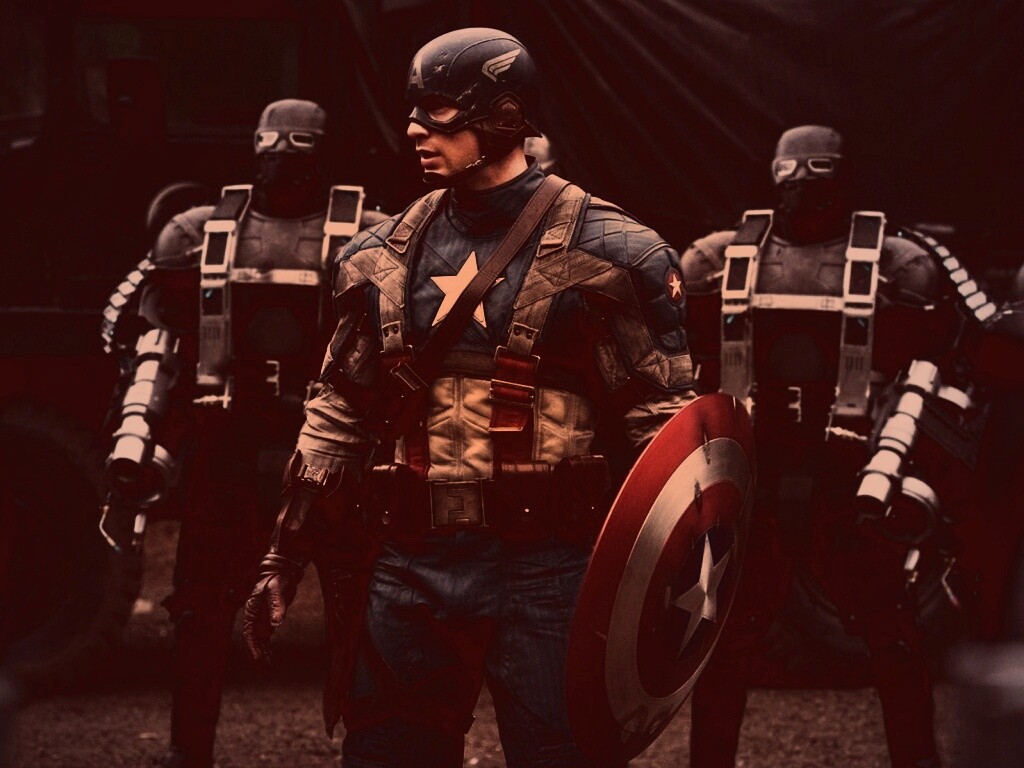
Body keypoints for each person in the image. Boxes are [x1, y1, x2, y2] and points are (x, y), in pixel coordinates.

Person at [241, 27, 695, 768]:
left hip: (552, 569)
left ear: (505, 117)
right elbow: (339, 410)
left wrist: (678, 575)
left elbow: (664, 432)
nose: (415, 129)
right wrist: (283, 556)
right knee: (389, 755)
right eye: (414, 110)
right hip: (411, 559)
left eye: (441, 112)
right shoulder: (377, 256)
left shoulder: (616, 255)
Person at [680, 125, 988, 768]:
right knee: (728, 642)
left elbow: (938, 363)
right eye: (795, 173)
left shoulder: (899, 261)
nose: (803, 186)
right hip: (757, 477)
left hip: (853, 481)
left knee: (892, 639)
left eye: (816, 173)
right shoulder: (718, 258)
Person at [100, 99, 386, 768]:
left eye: (295, 146)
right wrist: (136, 442)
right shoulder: (198, 232)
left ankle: (377, 748)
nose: (281, 157)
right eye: (273, 145)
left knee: (364, 610)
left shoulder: (372, 235)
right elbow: (155, 343)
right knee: (201, 609)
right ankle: (189, 749)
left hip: (332, 449)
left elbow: (402, 354)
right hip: (231, 445)